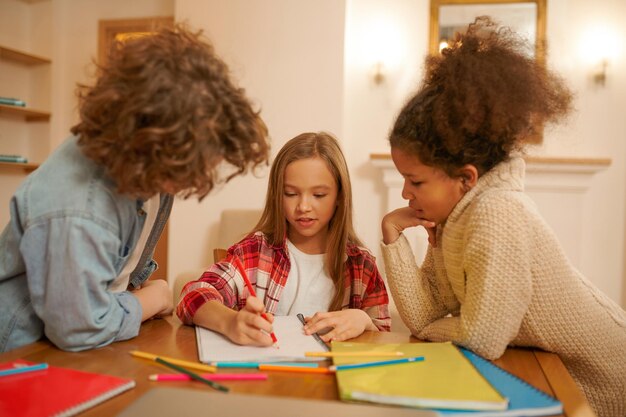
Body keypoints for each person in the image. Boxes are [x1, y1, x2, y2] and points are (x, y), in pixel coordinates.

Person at [380, 17, 625, 417]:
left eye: (415, 181)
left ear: (465, 177)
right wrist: (393, 237)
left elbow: (481, 338)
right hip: (551, 372)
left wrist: (427, 331)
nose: (406, 193)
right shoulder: (458, 215)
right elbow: (426, 311)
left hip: (604, 381)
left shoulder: (498, 215)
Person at [0, 25, 269, 353]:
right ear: (144, 142)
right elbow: (79, 329)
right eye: (184, 169)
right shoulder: (78, 209)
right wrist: (149, 300)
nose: (191, 181)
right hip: (25, 355)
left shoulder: (150, 172)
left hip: (87, 347)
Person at [177, 132, 390, 346]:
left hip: (332, 376)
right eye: (290, 193)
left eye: (318, 195)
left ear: (339, 198)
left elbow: (385, 337)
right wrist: (230, 322)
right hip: (268, 373)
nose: (304, 206)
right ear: (277, 195)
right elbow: (192, 296)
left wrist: (363, 320)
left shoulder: (362, 266)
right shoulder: (255, 252)